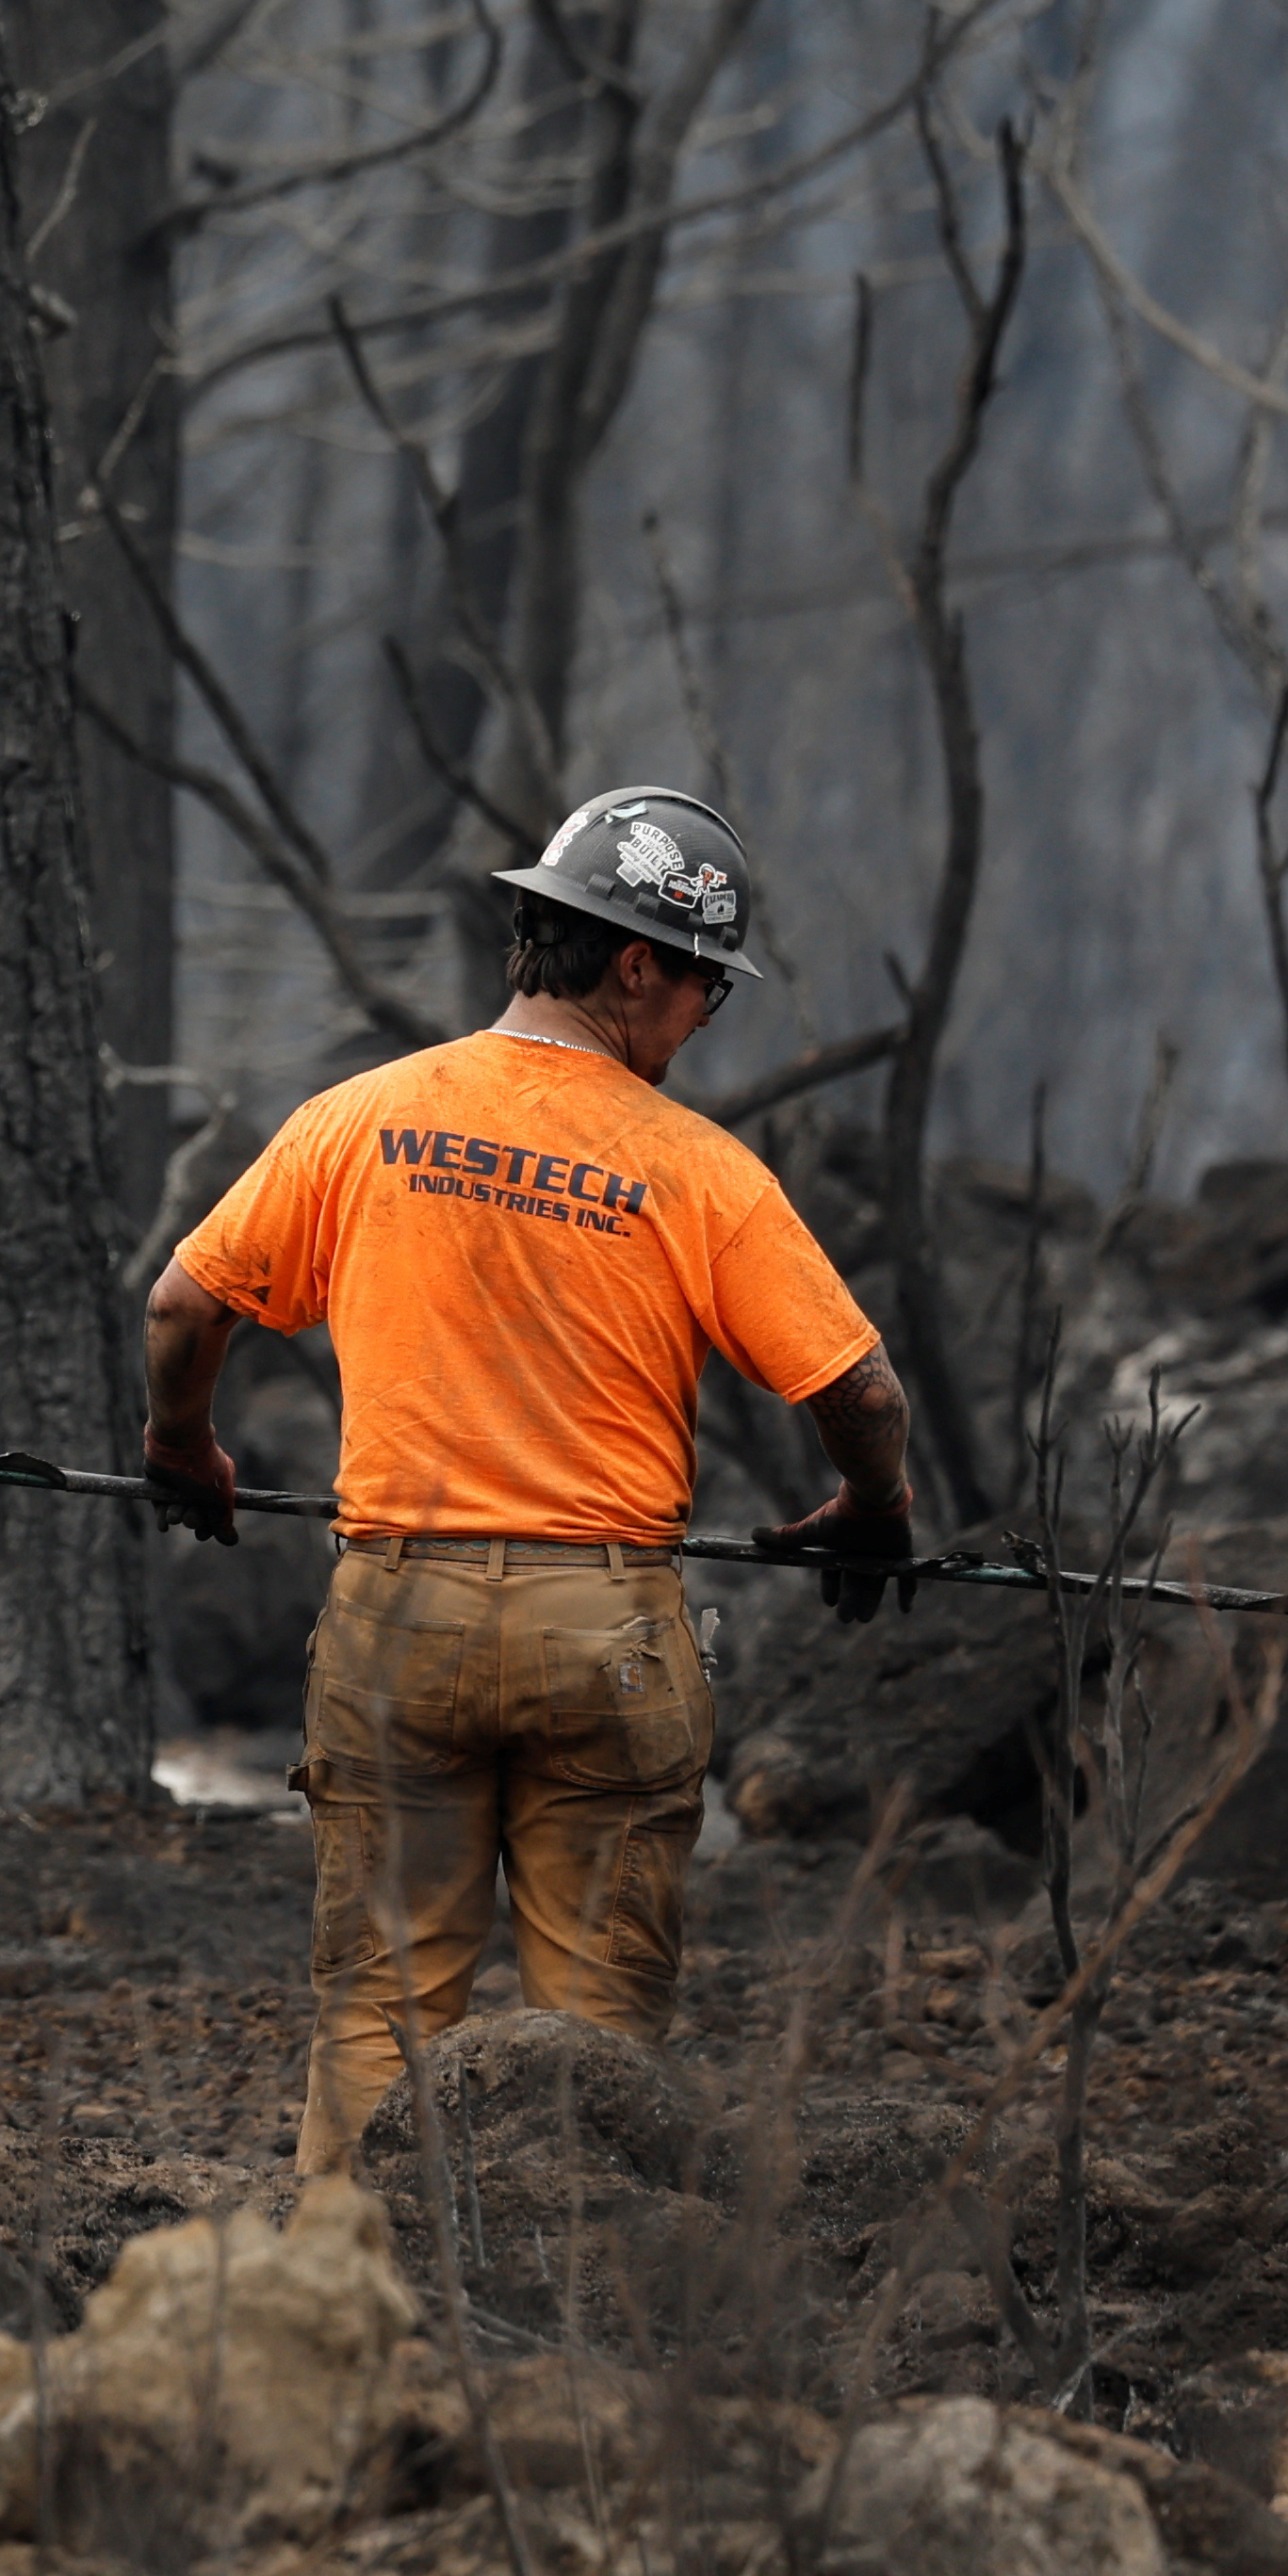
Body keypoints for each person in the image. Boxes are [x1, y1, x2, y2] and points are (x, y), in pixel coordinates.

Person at [141, 783, 917, 2176]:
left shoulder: (362, 1119)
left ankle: (338, 2311)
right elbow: (860, 1391)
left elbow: (182, 1311)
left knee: (378, 2015)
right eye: (705, 993)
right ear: (635, 964)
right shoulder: (698, 1173)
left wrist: (182, 1445)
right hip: (607, 1638)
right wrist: (874, 1511)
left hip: (399, 1624)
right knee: (602, 2046)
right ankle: (580, 2352)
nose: (700, 1023)